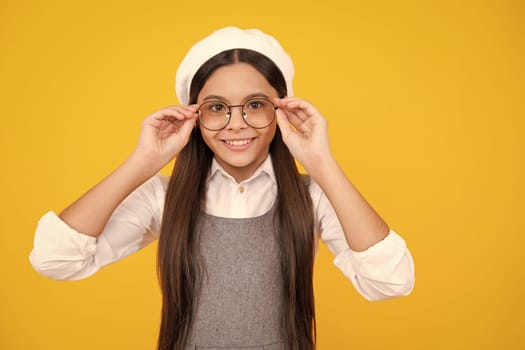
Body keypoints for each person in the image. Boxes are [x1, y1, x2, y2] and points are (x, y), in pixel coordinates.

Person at [29, 26, 415, 350]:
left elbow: (390, 281)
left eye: (255, 104)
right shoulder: (162, 198)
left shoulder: (311, 196)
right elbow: (55, 259)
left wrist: (322, 163)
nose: (236, 124)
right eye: (216, 107)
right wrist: (141, 163)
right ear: (193, 117)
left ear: (281, 110)